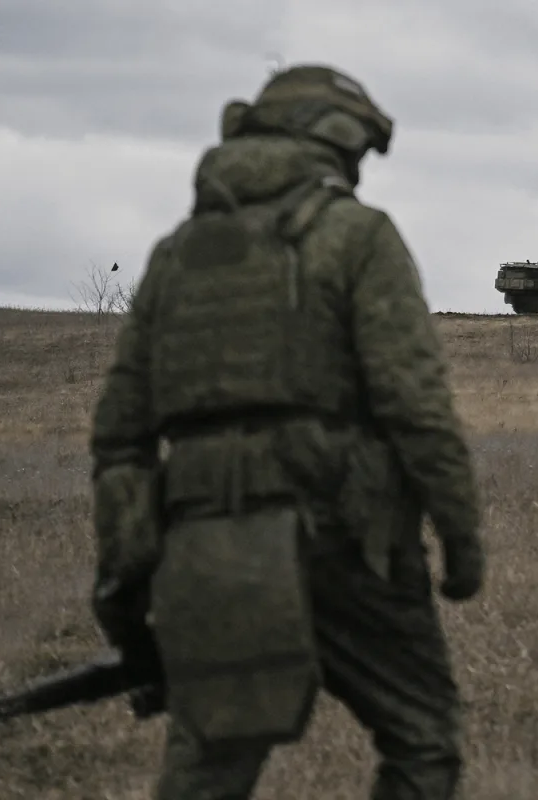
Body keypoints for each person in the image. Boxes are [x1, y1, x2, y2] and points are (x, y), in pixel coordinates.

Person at [87, 64, 485, 800]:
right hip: (347, 538)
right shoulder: (358, 238)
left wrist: (123, 579)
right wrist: (461, 537)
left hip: (210, 543)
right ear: (332, 145)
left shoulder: (178, 257)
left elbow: (118, 438)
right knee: (424, 740)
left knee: (210, 763)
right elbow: (416, 406)